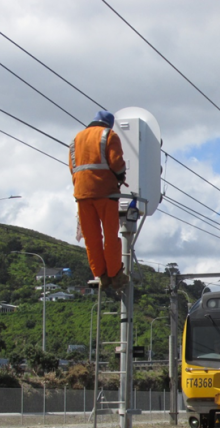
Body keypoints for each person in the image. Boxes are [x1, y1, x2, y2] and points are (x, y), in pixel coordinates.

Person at [69, 110, 129, 292]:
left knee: (91, 238)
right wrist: (120, 176)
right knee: (110, 236)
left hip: (82, 194)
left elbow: (73, 167)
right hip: (105, 193)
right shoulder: (109, 135)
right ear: (108, 124)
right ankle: (114, 274)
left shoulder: (76, 139)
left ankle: (100, 274)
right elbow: (116, 162)